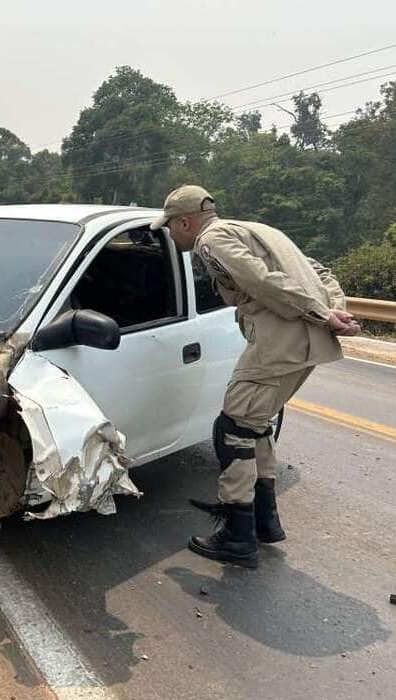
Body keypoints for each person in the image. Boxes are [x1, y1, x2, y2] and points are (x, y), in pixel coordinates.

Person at [150, 185, 360, 568]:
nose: (169, 234)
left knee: (233, 429)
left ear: (185, 221)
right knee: (255, 426)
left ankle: (236, 534)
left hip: (279, 343)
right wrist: (334, 312)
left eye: (170, 226)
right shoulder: (260, 230)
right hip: (304, 345)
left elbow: (261, 281)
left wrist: (322, 315)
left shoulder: (210, 241)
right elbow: (320, 272)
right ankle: (263, 521)